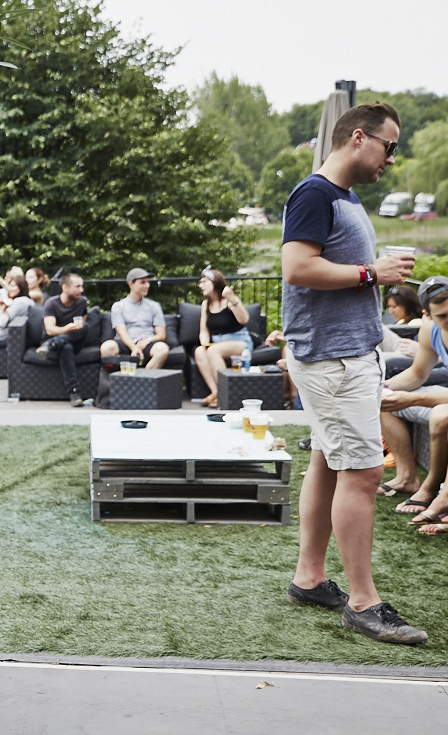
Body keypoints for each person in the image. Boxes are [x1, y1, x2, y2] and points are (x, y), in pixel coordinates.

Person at [280, 101, 425, 644]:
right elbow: (296, 268)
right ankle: (364, 603)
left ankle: (310, 578)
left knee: (327, 459)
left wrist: (370, 281)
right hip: (331, 358)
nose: (393, 156)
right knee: (364, 475)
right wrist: (372, 272)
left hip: (344, 354)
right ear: (359, 137)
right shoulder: (315, 193)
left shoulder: (342, 196)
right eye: (390, 146)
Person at [379, 277, 448, 523]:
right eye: (442, 316)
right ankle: (407, 476)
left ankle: (435, 491)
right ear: (427, 315)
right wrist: (382, 389)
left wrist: (412, 399)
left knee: (442, 415)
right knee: (385, 401)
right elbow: (418, 373)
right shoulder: (430, 330)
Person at [193, 267, 251, 407]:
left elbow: (244, 320)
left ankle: (224, 394)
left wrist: (232, 298)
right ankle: (216, 391)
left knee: (214, 351)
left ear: (215, 282)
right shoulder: (206, 304)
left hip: (238, 341)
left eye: (204, 282)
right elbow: (204, 330)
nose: (200, 285)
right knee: (199, 351)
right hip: (218, 344)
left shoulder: (229, 300)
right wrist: (205, 344)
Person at [34, 271, 88, 406]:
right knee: (66, 347)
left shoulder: (82, 302)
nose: (81, 290)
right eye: (77, 286)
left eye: (82, 286)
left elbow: (81, 324)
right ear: (64, 287)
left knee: (85, 326)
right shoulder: (51, 303)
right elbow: (50, 329)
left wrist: (73, 330)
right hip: (54, 345)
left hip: (71, 342)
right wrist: (67, 329)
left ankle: (53, 344)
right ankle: (74, 393)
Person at [100, 268, 169, 368]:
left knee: (162, 349)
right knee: (107, 347)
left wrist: (148, 340)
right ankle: (117, 380)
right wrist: (133, 347)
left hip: (146, 344)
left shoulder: (154, 306)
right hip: (125, 343)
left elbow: (161, 334)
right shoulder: (118, 306)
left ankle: (144, 379)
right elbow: (121, 332)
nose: (147, 286)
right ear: (131, 284)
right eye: (142, 283)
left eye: (147, 282)